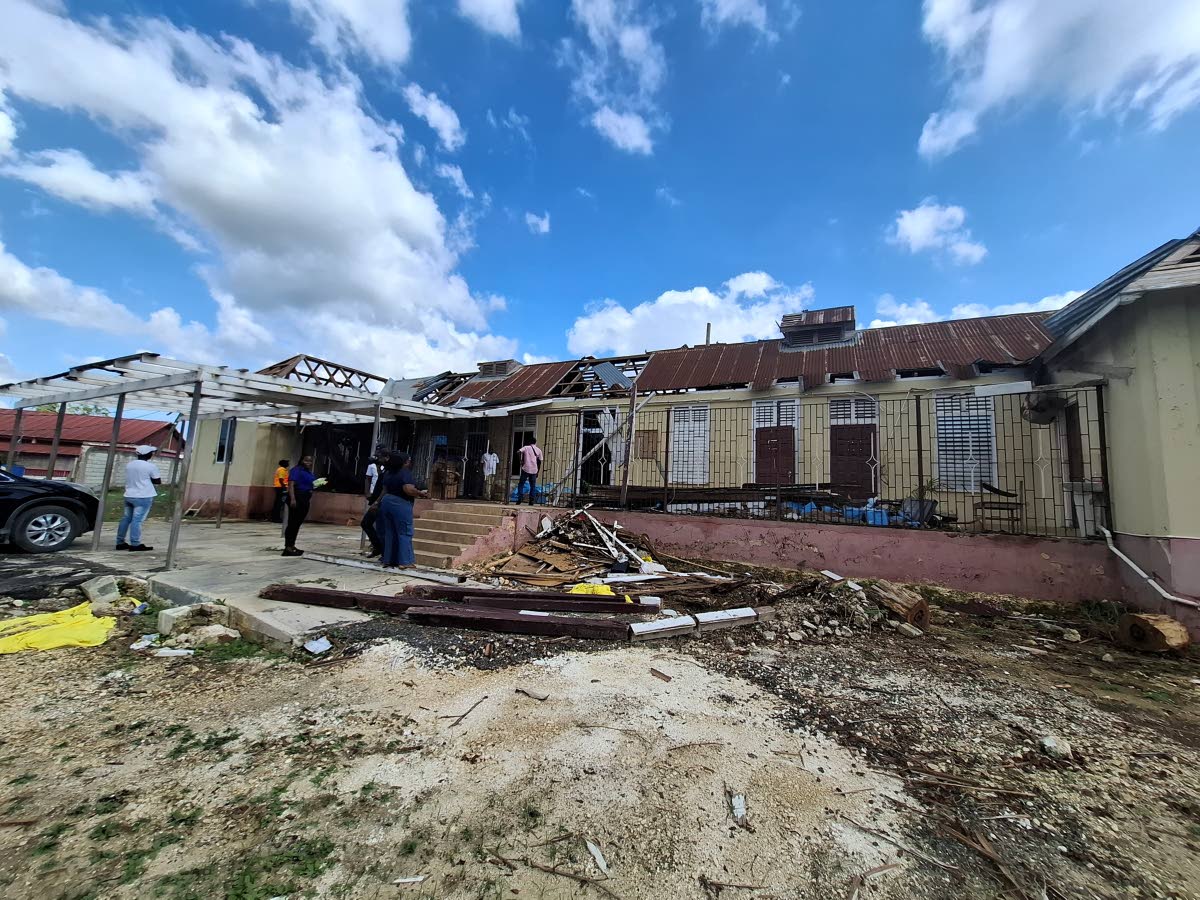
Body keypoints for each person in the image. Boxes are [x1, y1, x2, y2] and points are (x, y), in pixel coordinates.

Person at [377, 451, 429, 568]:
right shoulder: (405, 473)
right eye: (408, 460)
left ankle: (388, 560)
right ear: (404, 462)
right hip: (400, 503)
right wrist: (420, 493)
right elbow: (408, 489)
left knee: (390, 532)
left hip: (386, 501)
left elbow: (384, 490)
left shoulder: (388, 473)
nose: (410, 462)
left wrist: (377, 503)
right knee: (404, 532)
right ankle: (405, 561)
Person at [116, 445, 163, 551]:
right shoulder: (150, 466)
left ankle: (120, 542)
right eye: (151, 453)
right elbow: (157, 481)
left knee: (126, 519)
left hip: (129, 495)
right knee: (137, 521)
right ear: (148, 454)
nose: (152, 454)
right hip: (143, 496)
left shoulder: (130, 465)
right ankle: (135, 544)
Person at [283, 455, 316, 556]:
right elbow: (291, 484)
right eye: (306, 460)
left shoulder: (308, 472)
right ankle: (287, 547)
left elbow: (310, 484)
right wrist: (293, 498)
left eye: (310, 461)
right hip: (297, 497)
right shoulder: (296, 470)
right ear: (301, 460)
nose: (308, 463)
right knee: (292, 523)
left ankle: (292, 545)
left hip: (305, 497)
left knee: (297, 523)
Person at [360, 451, 387, 557]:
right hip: (375, 498)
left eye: (379, 457)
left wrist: (377, 502)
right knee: (369, 524)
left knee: (368, 523)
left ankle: (379, 547)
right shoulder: (378, 468)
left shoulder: (387, 471)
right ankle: (377, 546)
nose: (377, 459)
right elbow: (369, 479)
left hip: (380, 501)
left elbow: (385, 489)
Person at [517, 435, 543, 506]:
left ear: (529, 442)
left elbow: (518, 452)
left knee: (521, 483)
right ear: (535, 442)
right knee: (533, 485)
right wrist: (538, 471)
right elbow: (540, 462)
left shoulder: (526, 447)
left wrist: (521, 461)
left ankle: (520, 497)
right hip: (534, 470)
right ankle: (531, 500)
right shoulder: (539, 450)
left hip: (526, 468)